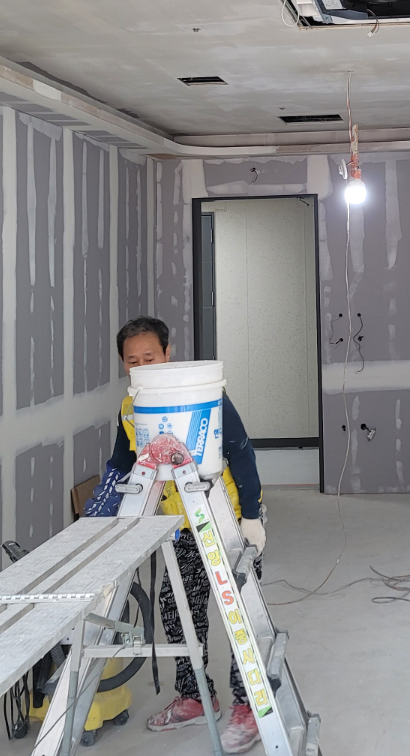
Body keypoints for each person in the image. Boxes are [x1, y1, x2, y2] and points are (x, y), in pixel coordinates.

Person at [83, 315, 267, 754]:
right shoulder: (131, 409)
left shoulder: (205, 395)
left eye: (150, 357)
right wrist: (98, 513)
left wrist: (252, 516)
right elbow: (122, 463)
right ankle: (195, 696)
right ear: (124, 365)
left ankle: (249, 706)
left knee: (239, 614)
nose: (142, 366)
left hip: (225, 522)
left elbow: (241, 453)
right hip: (181, 528)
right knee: (177, 609)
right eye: (132, 360)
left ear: (168, 354)